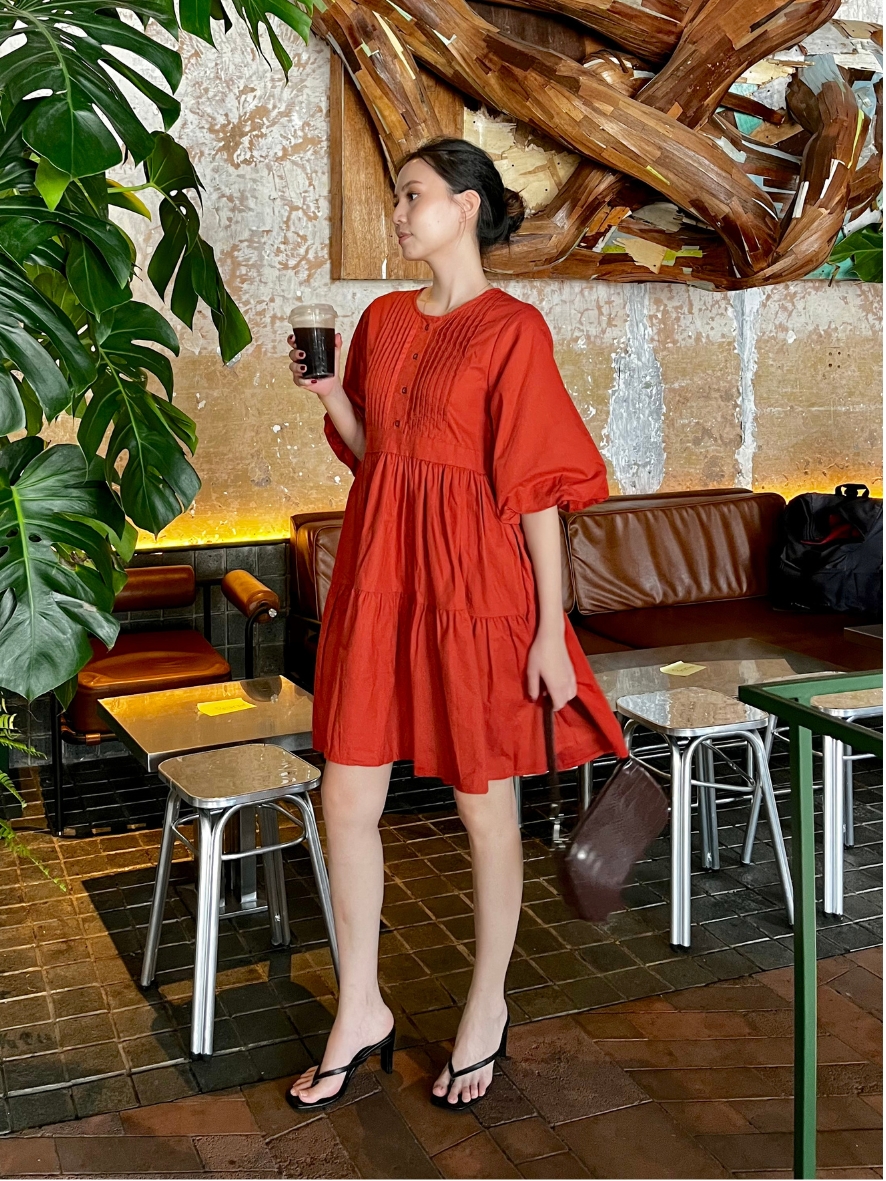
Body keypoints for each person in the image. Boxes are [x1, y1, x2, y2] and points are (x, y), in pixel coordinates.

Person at [285, 137, 626, 1112]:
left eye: (414, 195)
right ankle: (360, 1008)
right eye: (396, 197)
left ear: (467, 206)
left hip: (476, 583)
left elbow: (535, 491)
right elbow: (378, 455)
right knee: (345, 795)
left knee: (485, 805)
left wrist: (549, 627)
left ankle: (486, 1006)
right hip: (380, 576)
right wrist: (329, 397)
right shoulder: (382, 321)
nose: (399, 214)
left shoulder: (513, 330)